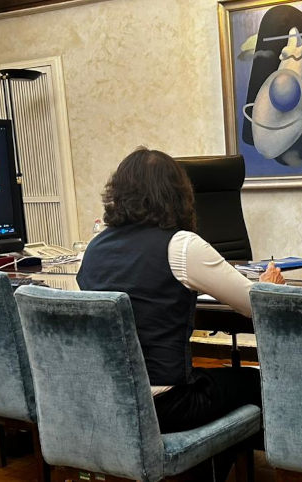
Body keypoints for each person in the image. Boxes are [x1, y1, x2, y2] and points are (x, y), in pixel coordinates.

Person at [76, 147, 284, 479]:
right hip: (166, 406)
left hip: (109, 400)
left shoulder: (94, 248)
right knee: (253, 380)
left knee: (215, 379)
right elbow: (254, 305)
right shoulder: (181, 245)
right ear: (177, 193)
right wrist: (269, 286)